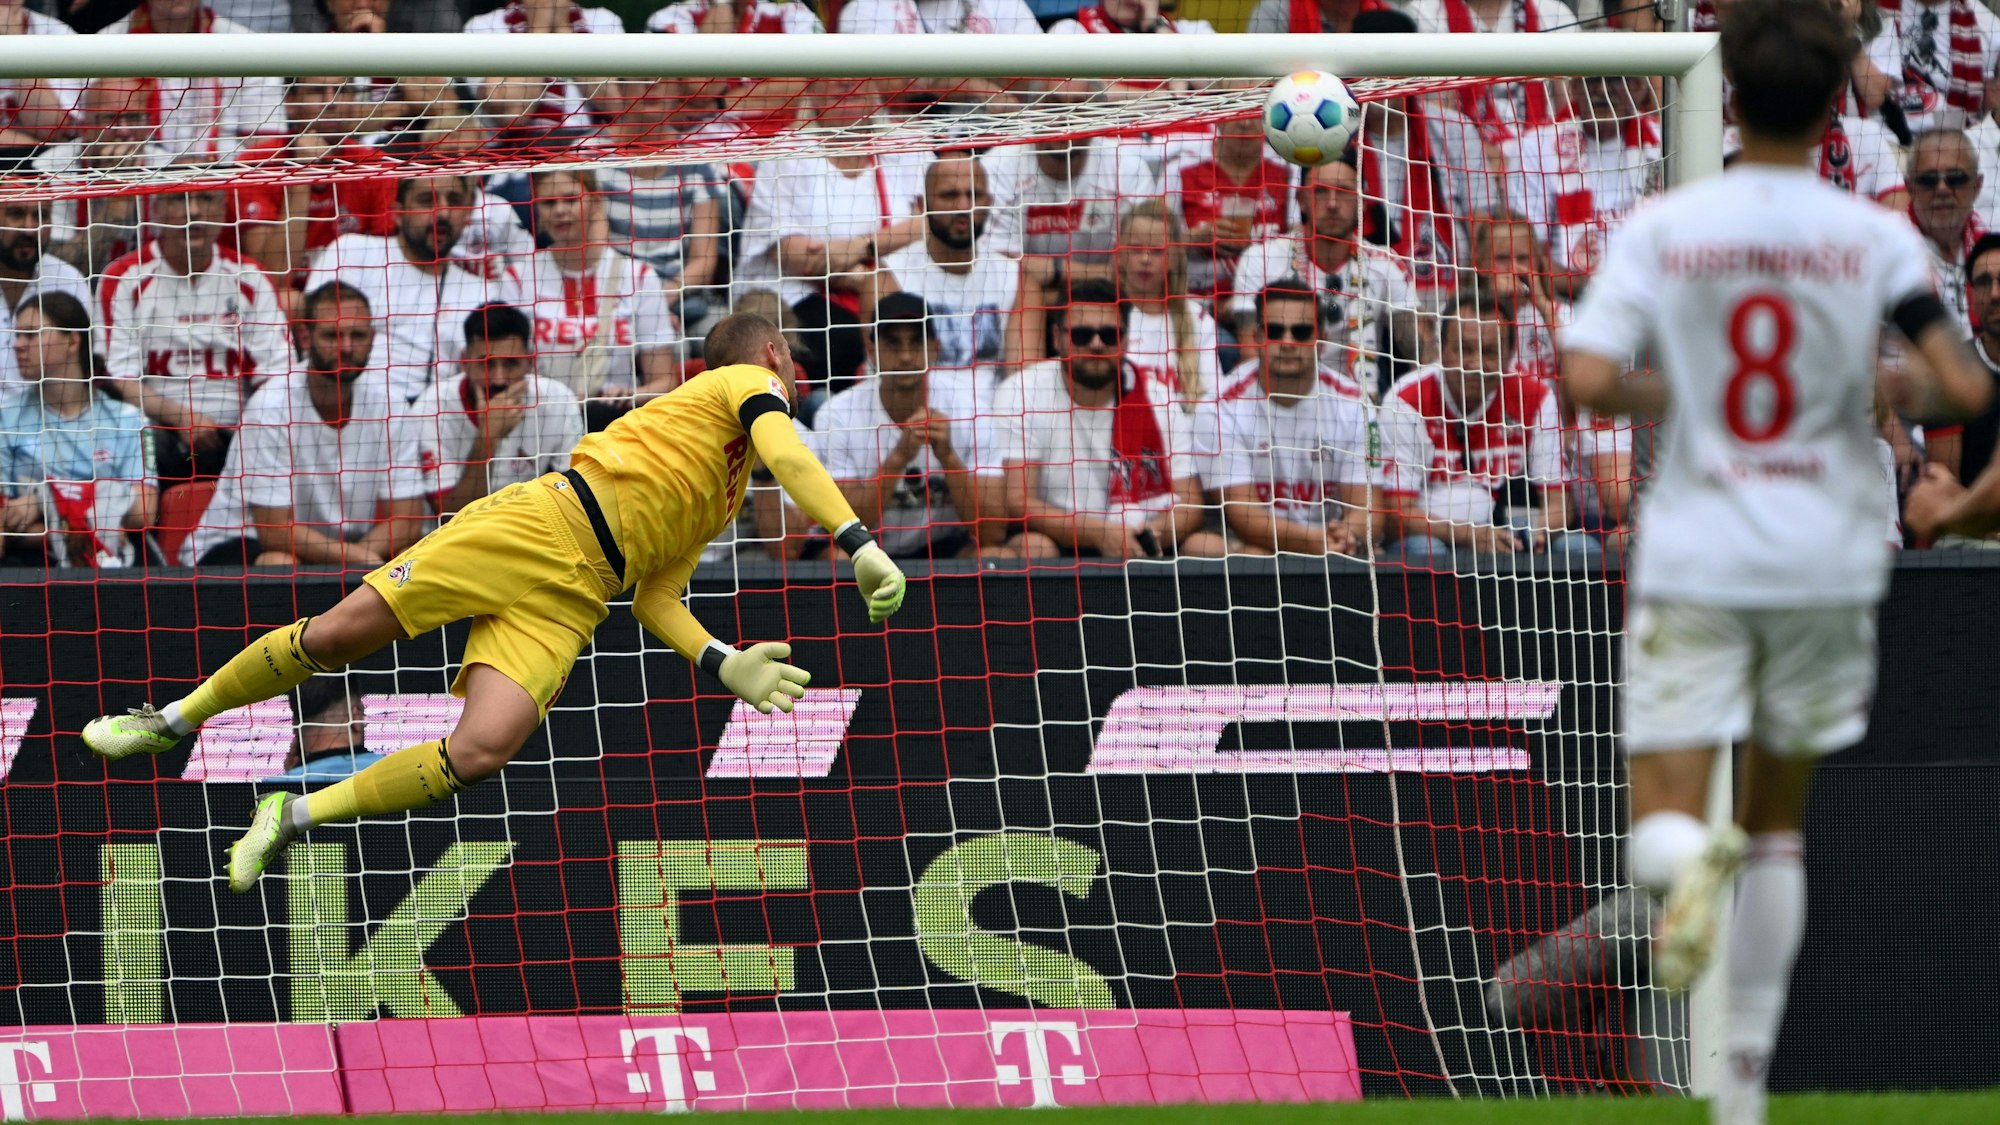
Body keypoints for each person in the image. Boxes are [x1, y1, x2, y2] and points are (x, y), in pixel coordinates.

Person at [1544, 5, 1990, 1125]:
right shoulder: (1873, 235)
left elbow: (1588, 380)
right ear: (1835, 102)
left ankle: (1677, 865)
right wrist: (1864, 391)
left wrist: (1685, 393)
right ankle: (1739, 1092)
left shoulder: (1665, 227)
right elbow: (1963, 387)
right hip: (1825, 556)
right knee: (1779, 824)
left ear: (1726, 98)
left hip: (1698, 547)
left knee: (1666, 820)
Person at [82, 311, 910, 895]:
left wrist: (722, 661)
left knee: (479, 751)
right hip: (540, 522)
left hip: (576, 598)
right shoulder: (740, 381)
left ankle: (293, 811)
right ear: (771, 352)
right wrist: (859, 543)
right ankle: (175, 719)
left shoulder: (721, 491)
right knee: (339, 635)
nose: (799, 380)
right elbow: (790, 454)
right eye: (796, 363)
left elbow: (658, 594)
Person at [176, 281, 433, 568]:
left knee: (410, 556)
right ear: (305, 338)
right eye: (332, 335)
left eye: (357, 334)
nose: (346, 347)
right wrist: (359, 562)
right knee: (280, 562)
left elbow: (408, 519)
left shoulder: (391, 404)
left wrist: (359, 563)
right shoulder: (270, 408)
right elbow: (275, 531)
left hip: (337, 549)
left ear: (372, 338)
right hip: (238, 547)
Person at [983, 279, 1221, 559]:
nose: (1096, 344)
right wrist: (1098, 533)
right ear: (1057, 338)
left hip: (1143, 536)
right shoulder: (1021, 392)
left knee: (1209, 547)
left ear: (1125, 339)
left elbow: (1191, 503)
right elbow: (1018, 502)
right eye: (1082, 335)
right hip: (1060, 536)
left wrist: (1150, 534)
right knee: (1033, 547)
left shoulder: (1159, 397)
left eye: (1109, 335)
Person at [1377, 287, 1597, 567]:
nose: (1476, 364)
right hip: (1434, 537)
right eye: (1464, 349)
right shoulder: (1405, 400)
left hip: (1510, 532)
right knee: (1425, 548)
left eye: (1489, 351)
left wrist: (1539, 531)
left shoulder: (1536, 397)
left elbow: (1558, 504)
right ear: (1441, 350)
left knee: (1581, 547)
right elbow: (1396, 517)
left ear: (1510, 356)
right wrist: (1469, 535)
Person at [98, 190, 292, 481]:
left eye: (207, 199)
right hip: (158, 429)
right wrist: (183, 418)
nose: (194, 211)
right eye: (179, 199)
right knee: (133, 439)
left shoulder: (251, 277)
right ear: (157, 208)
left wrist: (250, 427)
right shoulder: (123, 278)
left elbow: (278, 375)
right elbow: (119, 380)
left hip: (238, 429)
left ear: (224, 208)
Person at [305, 174, 523, 405]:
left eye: (454, 200)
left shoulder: (483, 295)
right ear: (398, 213)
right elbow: (309, 336)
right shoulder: (352, 252)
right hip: (343, 404)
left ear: (468, 214)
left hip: (431, 418)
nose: (443, 213)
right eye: (427, 200)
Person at [813, 293, 995, 559]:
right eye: (893, 344)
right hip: (867, 551)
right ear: (871, 348)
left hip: (944, 548)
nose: (907, 356)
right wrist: (897, 459)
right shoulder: (836, 415)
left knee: (999, 556)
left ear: (935, 348)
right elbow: (843, 531)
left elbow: (992, 532)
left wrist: (948, 458)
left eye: (916, 342)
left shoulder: (973, 409)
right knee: (837, 559)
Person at [1230, 154, 1425, 396]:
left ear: (1361, 202)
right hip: (1281, 396)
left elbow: (1421, 352)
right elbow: (1251, 353)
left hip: (1358, 403)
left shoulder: (1385, 264)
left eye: (1343, 191)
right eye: (1321, 191)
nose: (1332, 203)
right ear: (1301, 200)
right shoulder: (1261, 259)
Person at [1205, 283, 1376, 557]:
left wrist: (1349, 534)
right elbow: (1245, 519)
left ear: (1321, 340)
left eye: (1301, 332)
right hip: (1255, 544)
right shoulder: (1219, 407)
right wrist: (1315, 542)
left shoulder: (1355, 405)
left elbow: (1367, 509)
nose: (1287, 342)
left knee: (1370, 553)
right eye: (1274, 331)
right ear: (1258, 336)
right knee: (1242, 554)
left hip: (1332, 542)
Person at [0, 292, 154, 569]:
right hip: (33, 564)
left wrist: (43, 502)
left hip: (114, 563)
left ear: (72, 341)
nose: (18, 345)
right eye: (18, 335)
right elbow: (6, 526)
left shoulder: (131, 419)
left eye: (32, 335)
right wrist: (101, 509)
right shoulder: (5, 419)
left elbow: (145, 512)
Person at [521, 168, 679, 418]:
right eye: (549, 203)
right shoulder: (517, 278)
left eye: (571, 199)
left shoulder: (639, 276)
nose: (560, 210)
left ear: (595, 202)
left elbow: (665, 383)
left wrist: (631, 394)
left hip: (613, 422)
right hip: (541, 421)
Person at [405, 303, 586, 516]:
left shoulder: (558, 401)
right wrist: (487, 438)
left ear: (530, 362)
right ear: (465, 362)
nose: (499, 379)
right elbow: (450, 516)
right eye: (486, 364)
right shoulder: (431, 408)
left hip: (530, 529)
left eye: (511, 364)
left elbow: (574, 501)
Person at [878, 155, 1017, 370]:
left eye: (974, 195)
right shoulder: (889, 278)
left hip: (999, 403)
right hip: (920, 403)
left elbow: (1021, 381)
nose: (963, 206)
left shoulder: (1014, 278)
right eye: (949, 195)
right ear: (923, 205)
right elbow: (893, 380)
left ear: (989, 203)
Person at [100, 0, 285, 162]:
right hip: (141, 185)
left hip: (225, 184)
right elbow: (90, 142)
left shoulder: (250, 48)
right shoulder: (102, 48)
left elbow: (267, 146)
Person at [462, 0, 625, 134]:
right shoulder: (482, 26)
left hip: (592, 152)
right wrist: (538, 28)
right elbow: (511, 115)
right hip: (516, 156)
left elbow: (614, 105)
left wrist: (564, 29)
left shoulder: (604, 21)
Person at [1922, 232, 2000, 486]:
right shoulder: (1950, 370)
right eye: (1984, 282)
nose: (1995, 294)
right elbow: (1946, 488)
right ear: (1972, 296)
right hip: (1972, 522)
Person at [0, 198, 90, 396]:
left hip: (47, 420)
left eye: (41, 216)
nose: (30, 229)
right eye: (16, 215)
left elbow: (83, 367)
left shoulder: (69, 280)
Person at [1907, 128, 1987, 333]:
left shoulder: (1991, 248)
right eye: (1928, 180)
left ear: (1977, 186)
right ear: (1909, 187)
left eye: (1956, 178)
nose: (1942, 189)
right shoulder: (1882, 249)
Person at [263, 676, 381, 783]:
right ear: (356, 716)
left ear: (295, 725)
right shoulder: (392, 774)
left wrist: (290, 776)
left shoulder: (273, 789)